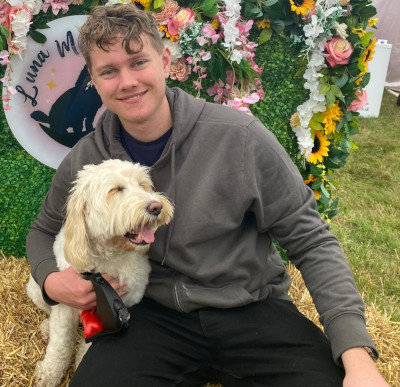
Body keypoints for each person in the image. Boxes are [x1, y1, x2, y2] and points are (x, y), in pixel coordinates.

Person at [26, 4, 389, 386]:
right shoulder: (87, 157)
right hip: (152, 317)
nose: (127, 81)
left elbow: (312, 241)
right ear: (95, 82)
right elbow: (43, 230)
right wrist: (51, 280)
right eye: (108, 71)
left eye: (138, 62)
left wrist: (356, 354)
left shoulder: (242, 137)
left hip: (252, 309)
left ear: (165, 60)